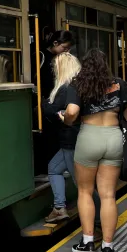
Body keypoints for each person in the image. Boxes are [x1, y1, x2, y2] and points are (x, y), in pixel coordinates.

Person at [64, 48, 127, 252]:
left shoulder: (78, 84)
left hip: (89, 136)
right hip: (113, 137)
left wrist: (66, 120)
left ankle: (87, 242)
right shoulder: (119, 84)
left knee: (85, 191)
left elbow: (72, 112)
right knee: (108, 195)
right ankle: (107, 247)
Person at [43, 52, 81, 223]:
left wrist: (42, 102)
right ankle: (59, 207)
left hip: (70, 141)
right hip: (77, 139)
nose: (53, 69)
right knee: (54, 168)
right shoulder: (79, 85)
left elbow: (52, 110)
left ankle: (95, 222)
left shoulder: (65, 88)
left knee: (82, 185)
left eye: (55, 66)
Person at [39, 30, 75, 100]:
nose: (67, 51)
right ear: (55, 43)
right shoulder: (41, 55)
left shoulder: (63, 57)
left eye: (68, 48)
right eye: (64, 47)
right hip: (44, 95)